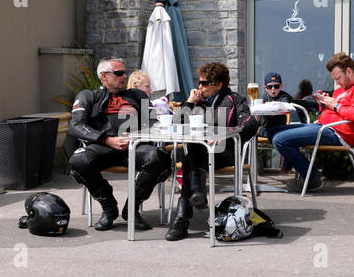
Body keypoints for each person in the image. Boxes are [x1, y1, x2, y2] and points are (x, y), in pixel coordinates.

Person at [68, 57, 171, 231]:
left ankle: (131, 209)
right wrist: (107, 139)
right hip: (103, 146)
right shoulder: (88, 96)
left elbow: (151, 122)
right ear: (104, 76)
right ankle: (109, 208)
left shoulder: (137, 95)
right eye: (119, 73)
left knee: (158, 157)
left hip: (134, 146)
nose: (124, 76)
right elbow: (75, 125)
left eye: (124, 72)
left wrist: (136, 137)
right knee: (78, 160)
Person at [165, 62, 258, 241]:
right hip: (201, 153)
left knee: (189, 159)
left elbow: (250, 124)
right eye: (199, 82)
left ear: (218, 84)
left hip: (226, 152)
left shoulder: (235, 100)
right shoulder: (197, 102)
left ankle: (183, 217)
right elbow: (176, 124)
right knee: (194, 148)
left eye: (204, 83)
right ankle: (195, 197)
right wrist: (190, 102)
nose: (200, 87)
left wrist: (224, 135)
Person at [268, 52, 354, 192]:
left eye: (338, 78)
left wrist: (335, 105)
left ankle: (312, 178)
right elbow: (336, 111)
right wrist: (324, 103)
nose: (337, 83)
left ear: (349, 71)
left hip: (339, 134)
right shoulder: (343, 89)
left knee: (280, 140)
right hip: (324, 126)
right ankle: (301, 169)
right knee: (272, 132)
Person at [257, 72, 293, 139]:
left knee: (279, 134)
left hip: (279, 127)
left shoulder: (283, 96)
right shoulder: (264, 97)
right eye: (269, 87)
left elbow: (284, 105)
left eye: (276, 86)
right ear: (265, 88)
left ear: (281, 86)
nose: (273, 89)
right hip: (265, 127)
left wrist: (268, 105)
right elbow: (258, 109)